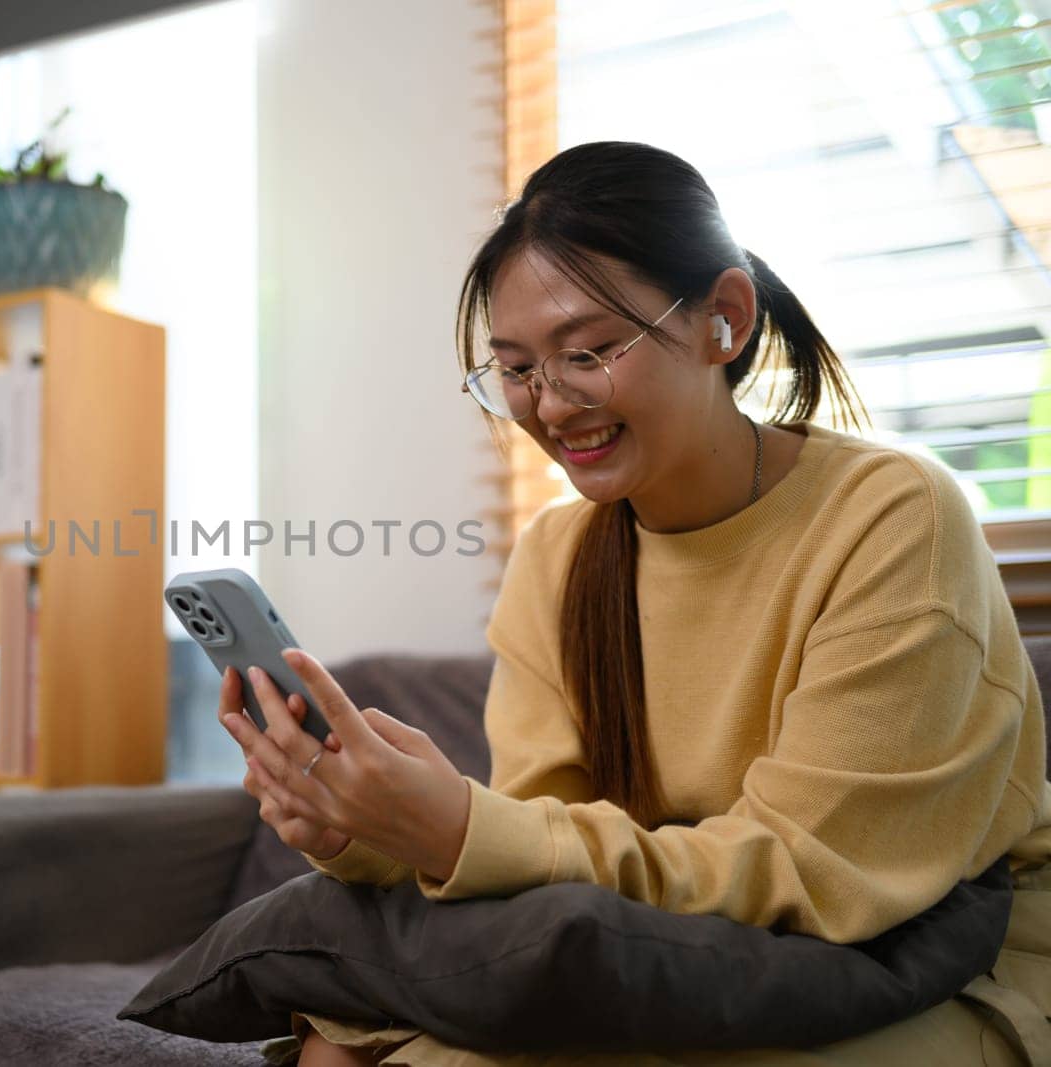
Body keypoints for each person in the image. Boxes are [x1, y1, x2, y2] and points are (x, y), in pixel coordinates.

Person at [217, 141, 1051, 1066]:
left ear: (723, 321)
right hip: (680, 953)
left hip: (929, 951)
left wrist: (463, 825)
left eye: (588, 351)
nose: (551, 403)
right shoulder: (558, 555)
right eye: (519, 369)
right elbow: (547, 866)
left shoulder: (894, 519)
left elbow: (817, 877)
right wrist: (365, 831)